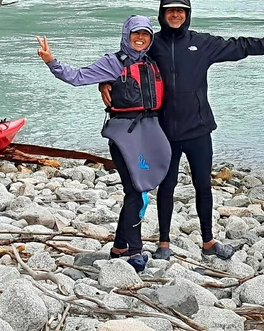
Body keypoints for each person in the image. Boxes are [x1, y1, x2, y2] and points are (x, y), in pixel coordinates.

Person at [147, 0, 264, 260]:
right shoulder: (152, 44)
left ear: (187, 14)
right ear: (162, 14)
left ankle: (208, 241)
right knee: (167, 186)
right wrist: (105, 82)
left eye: (181, 11)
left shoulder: (201, 43)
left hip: (198, 129)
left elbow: (240, 46)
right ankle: (164, 243)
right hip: (164, 130)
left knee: (203, 186)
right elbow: (122, 62)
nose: (176, 15)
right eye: (170, 10)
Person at [37, 16, 172, 272]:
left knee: (138, 190)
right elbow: (77, 77)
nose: (140, 39)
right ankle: (135, 250)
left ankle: (119, 246)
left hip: (149, 131)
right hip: (124, 134)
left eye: (145, 34)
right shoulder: (113, 63)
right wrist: (51, 62)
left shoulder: (153, 62)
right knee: (135, 190)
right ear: (126, 35)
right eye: (135, 34)